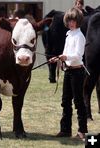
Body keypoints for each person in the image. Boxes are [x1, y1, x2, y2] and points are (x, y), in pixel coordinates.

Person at [49, 7, 88, 140]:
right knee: (65, 101)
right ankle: (65, 130)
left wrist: (65, 58)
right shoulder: (69, 35)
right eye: (69, 20)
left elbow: (78, 55)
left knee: (78, 102)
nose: (71, 23)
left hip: (77, 72)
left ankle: (82, 131)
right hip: (68, 71)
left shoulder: (79, 36)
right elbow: (65, 53)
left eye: (74, 20)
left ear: (78, 21)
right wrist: (58, 58)